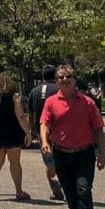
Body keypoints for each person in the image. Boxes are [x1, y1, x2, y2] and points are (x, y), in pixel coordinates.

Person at [40, 65, 105, 209]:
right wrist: (44, 142)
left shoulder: (87, 102)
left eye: (69, 76)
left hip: (83, 153)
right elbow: (45, 124)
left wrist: (101, 153)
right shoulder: (51, 102)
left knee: (84, 190)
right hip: (61, 153)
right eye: (61, 77)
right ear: (56, 81)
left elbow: (99, 128)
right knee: (70, 194)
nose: (65, 79)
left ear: (75, 80)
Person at [0, 74, 32, 201]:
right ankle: (19, 191)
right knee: (15, 163)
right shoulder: (14, 98)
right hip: (12, 133)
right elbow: (20, 116)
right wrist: (28, 132)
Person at [26, 65, 65, 201]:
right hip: (60, 130)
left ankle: (55, 188)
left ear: (42, 76)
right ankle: (66, 186)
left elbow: (30, 113)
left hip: (42, 132)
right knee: (63, 159)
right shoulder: (59, 89)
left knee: (49, 163)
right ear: (55, 75)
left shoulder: (34, 91)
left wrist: (31, 130)